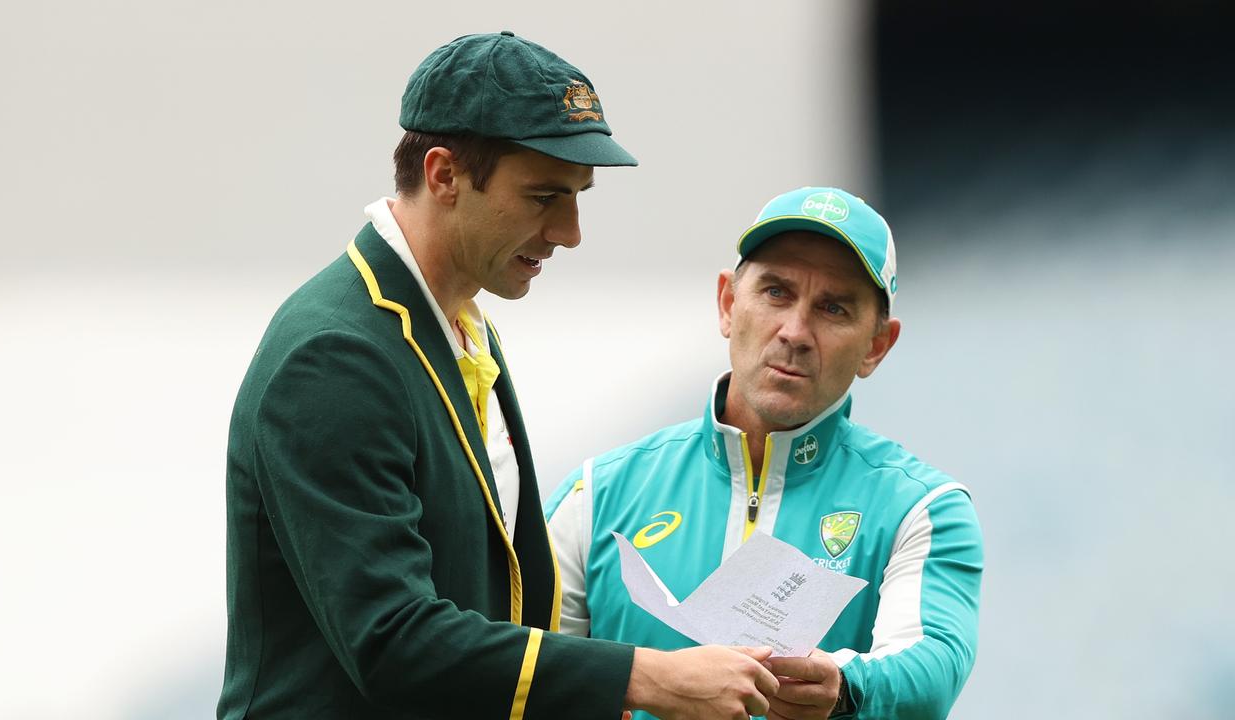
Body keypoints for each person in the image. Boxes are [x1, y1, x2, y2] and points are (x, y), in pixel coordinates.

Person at [218, 32, 780, 720]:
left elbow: (500, 608)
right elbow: (394, 643)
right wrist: (642, 677)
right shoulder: (334, 357)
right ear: (444, 175)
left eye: (578, 196)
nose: (571, 231)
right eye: (545, 196)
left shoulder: (462, 322)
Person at [545, 186, 985, 720]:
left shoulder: (922, 508)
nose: (795, 332)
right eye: (776, 292)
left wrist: (843, 686)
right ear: (728, 304)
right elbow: (528, 673)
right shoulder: (596, 495)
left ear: (876, 345)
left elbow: (932, 663)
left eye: (833, 308)